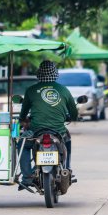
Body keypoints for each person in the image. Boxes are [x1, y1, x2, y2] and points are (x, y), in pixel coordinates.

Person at [18, 60, 78, 190]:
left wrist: (22, 120)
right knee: (67, 140)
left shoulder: (31, 90)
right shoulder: (64, 90)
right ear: (55, 74)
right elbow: (74, 113)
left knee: (22, 144)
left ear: (39, 74)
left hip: (36, 131)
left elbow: (23, 114)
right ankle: (66, 170)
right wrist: (73, 118)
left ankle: (27, 177)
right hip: (58, 131)